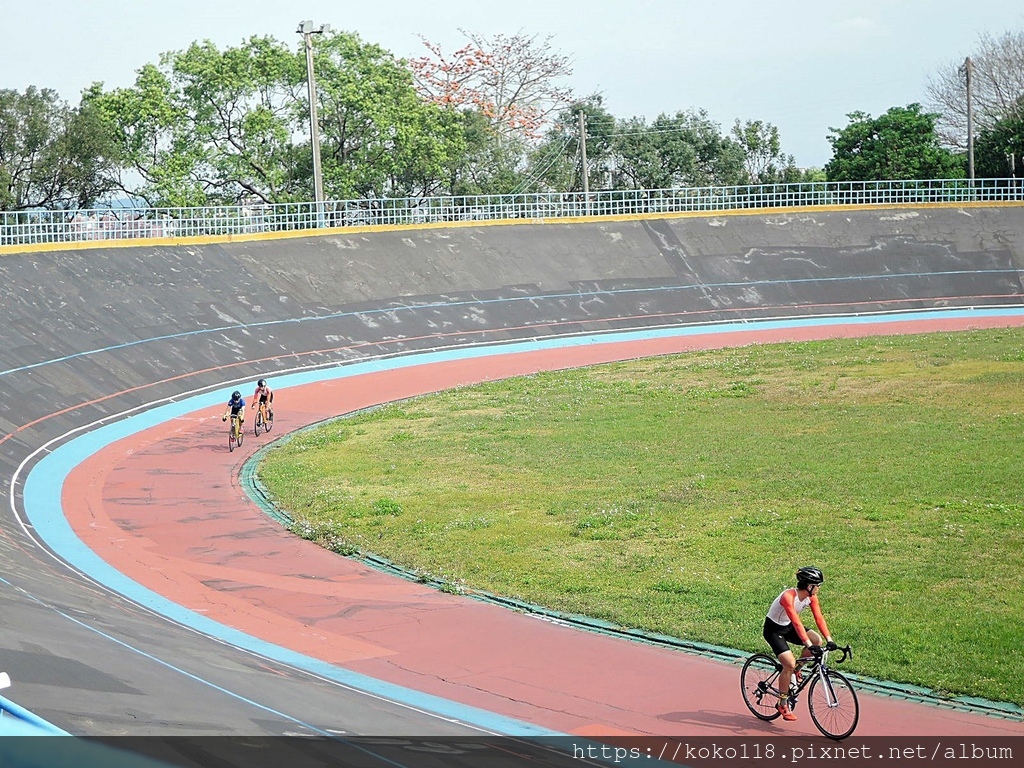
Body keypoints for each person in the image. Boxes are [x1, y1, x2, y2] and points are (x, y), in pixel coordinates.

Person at [763, 566, 837, 722]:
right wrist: (808, 644)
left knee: (818, 640)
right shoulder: (788, 597)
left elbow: (819, 618)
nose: (819, 588)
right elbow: (797, 622)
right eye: (817, 585)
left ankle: (797, 670)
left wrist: (830, 640)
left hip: (788, 626)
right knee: (788, 663)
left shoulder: (811, 598)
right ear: (809, 586)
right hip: (774, 630)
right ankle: (782, 702)